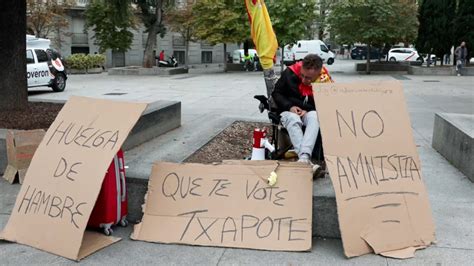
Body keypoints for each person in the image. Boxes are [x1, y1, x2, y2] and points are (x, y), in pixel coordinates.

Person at [272, 54, 333, 170]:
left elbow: (326, 105)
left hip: (309, 111)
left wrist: (308, 110)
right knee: (293, 118)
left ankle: (303, 159)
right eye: (302, 75)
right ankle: (305, 159)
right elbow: (277, 93)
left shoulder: (325, 81)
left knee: (315, 116)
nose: (304, 80)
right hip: (287, 111)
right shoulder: (289, 73)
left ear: (318, 73)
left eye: (309, 78)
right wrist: (290, 107)